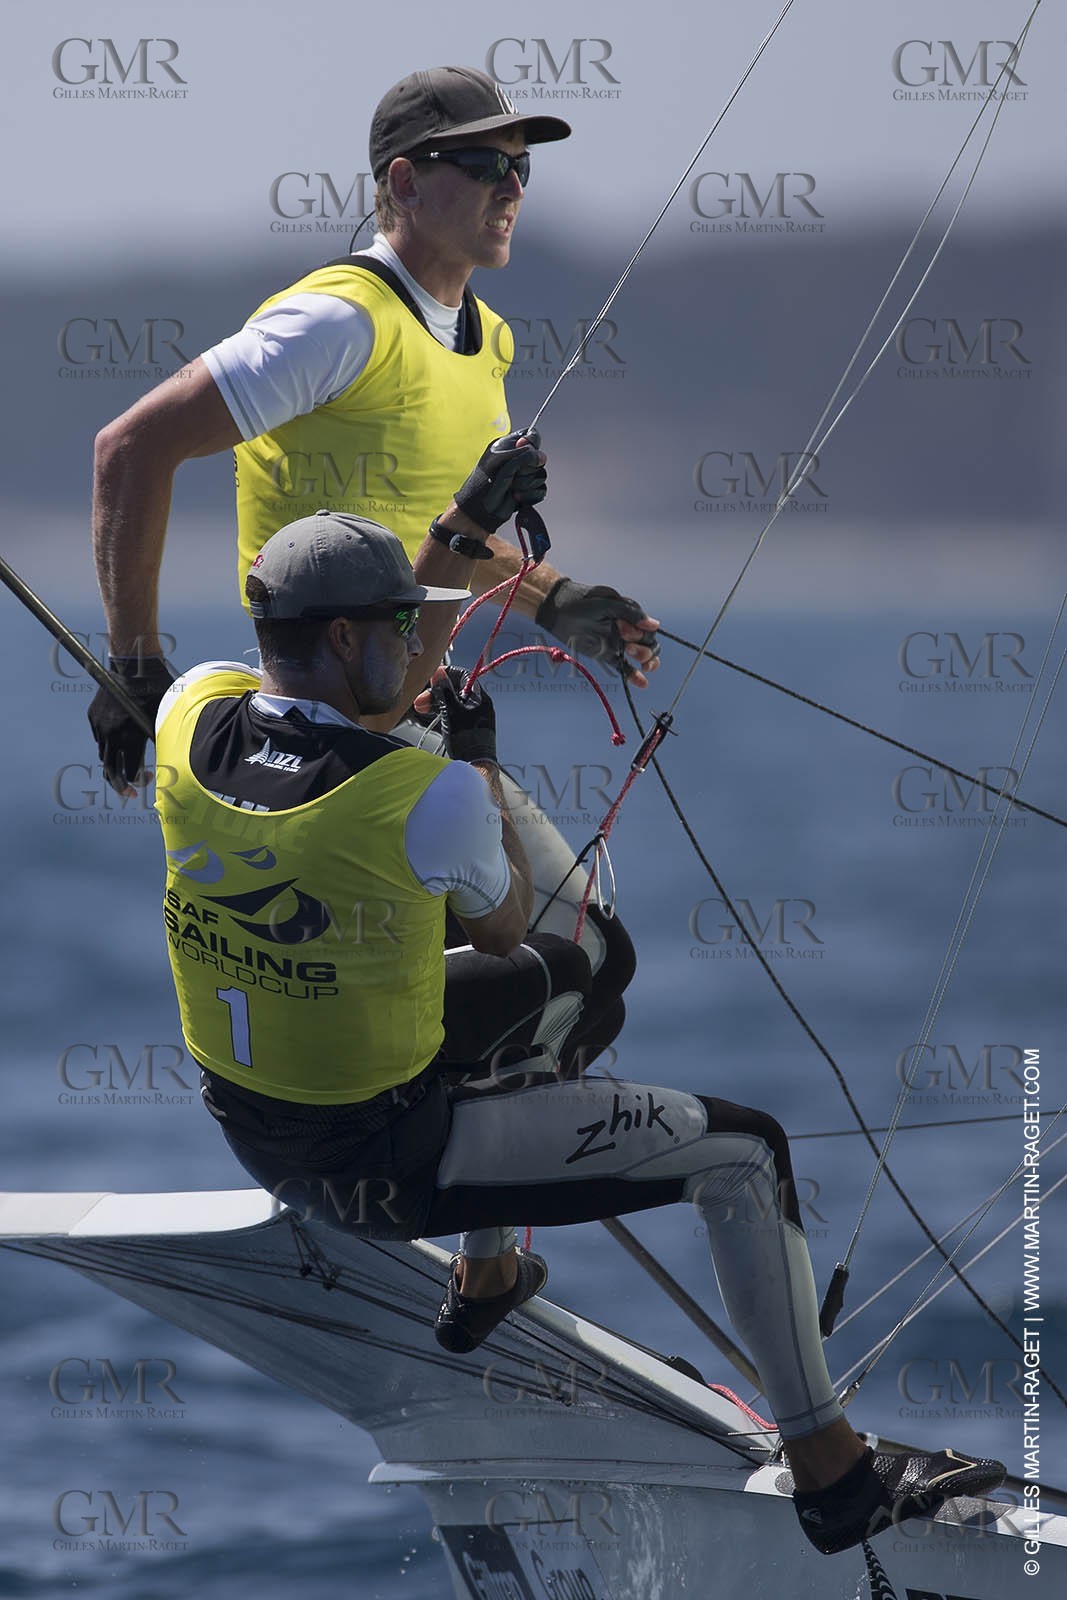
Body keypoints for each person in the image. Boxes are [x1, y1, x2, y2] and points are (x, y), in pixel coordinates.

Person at [154, 509, 1004, 1560]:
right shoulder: (421, 796)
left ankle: (488, 1277)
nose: (417, 650)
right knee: (745, 1150)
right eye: (397, 630)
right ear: (343, 641)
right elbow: (504, 927)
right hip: (383, 1154)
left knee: (594, 966)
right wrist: (471, 761)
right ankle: (833, 1477)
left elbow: (303, 730)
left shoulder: (189, 717)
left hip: (252, 1116)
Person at [89, 63, 661, 796]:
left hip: (416, 710)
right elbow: (130, 448)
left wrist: (552, 599)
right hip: (317, 733)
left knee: (560, 914)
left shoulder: (490, 339)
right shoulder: (336, 321)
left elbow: (439, 534)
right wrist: (132, 666)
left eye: (521, 166)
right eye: (486, 164)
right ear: (405, 181)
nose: (513, 187)